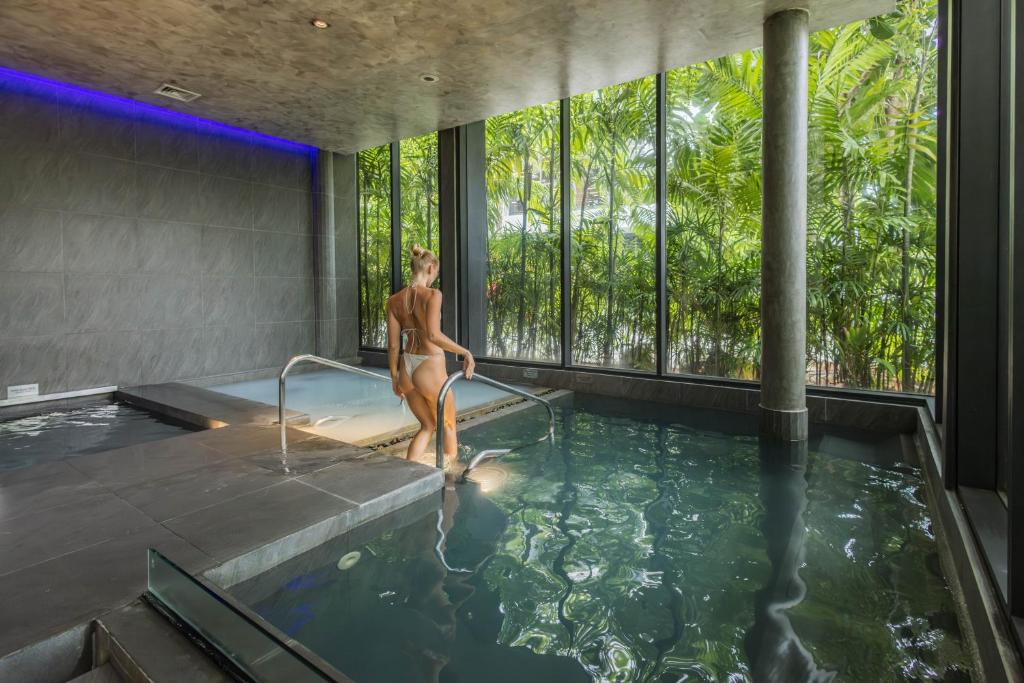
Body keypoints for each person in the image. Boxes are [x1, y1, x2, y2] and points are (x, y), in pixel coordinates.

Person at [387, 244, 475, 468]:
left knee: (427, 426)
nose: (435, 276)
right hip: (429, 366)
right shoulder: (433, 295)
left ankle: (407, 472)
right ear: (430, 268)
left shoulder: (394, 301)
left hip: (406, 367)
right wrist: (465, 352)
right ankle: (451, 478)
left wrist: (395, 377)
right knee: (448, 425)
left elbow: (394, 346)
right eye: (436, 272)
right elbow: (434, 335)